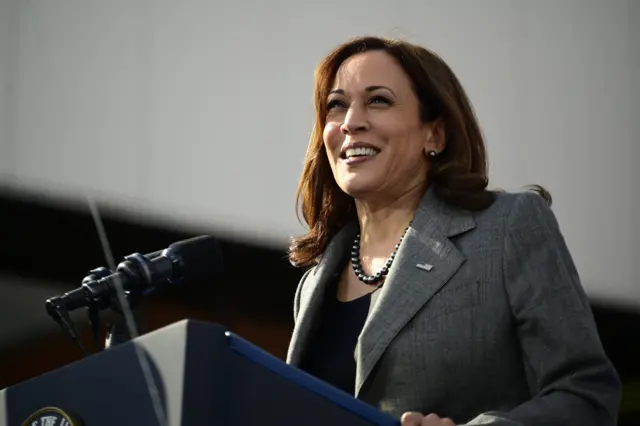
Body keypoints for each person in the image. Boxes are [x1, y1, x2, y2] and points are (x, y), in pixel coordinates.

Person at [285, 36, 621, 426]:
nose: (351, 122)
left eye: (378, 100)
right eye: (336, 105)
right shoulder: (314, 285)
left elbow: (587, 396)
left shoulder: (509, 227)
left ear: (435, 134)